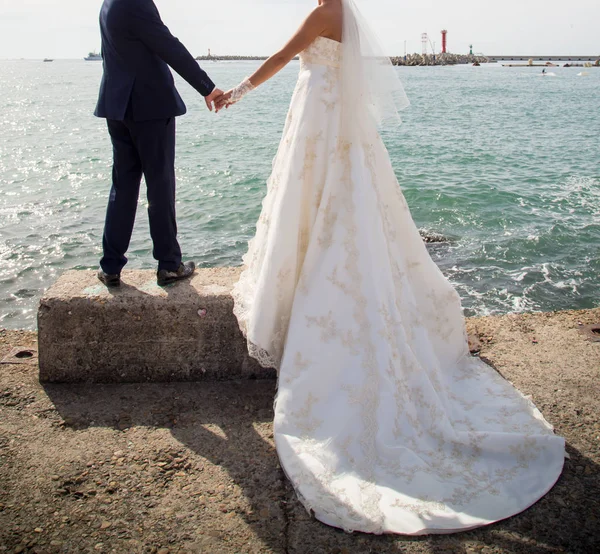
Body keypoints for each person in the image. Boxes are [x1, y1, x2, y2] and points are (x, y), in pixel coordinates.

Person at [217, 0, 565, 536]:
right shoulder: (346, 16)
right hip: (330, 120)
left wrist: (232, 94)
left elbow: (281, 58)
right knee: (341, 213)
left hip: (316, 117)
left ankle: (314, 313)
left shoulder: (322, 13)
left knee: (312, 207)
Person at [94, 0, 223, 287]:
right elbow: (167, 44)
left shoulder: (108, 4)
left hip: (117, 106)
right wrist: (207, 87)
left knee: (123, 186)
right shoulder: (136, 3)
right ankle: (168, 264)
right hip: (149, 107)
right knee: (160, 183)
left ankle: (111, 266)